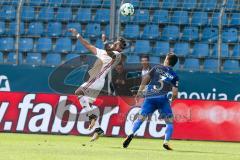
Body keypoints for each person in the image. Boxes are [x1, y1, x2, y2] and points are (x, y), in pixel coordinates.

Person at [68, 28, 126, 142]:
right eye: (116, 43)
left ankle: (92, 117)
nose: (116, 44)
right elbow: (88, 45)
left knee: (78, 92)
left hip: (96, 79)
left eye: (118, 44)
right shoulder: (103, 52)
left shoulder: (117, 55)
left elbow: (109, 52)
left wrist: (105, 42)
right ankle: (98, 129)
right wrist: (78, 35)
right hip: (95, 80)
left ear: (120, 48)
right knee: (86, 103)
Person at [123, 52, 179, 150]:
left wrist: (139, 92)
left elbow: (145, 79)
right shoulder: (174, 75)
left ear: (167, 60)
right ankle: (166, 142)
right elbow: (175, 93)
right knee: (169, 122)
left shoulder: (157, 68)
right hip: (162, 98)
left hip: (150, 97)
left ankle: (131, 133)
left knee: (141, 117)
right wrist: (170, 100)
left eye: (165, 58)